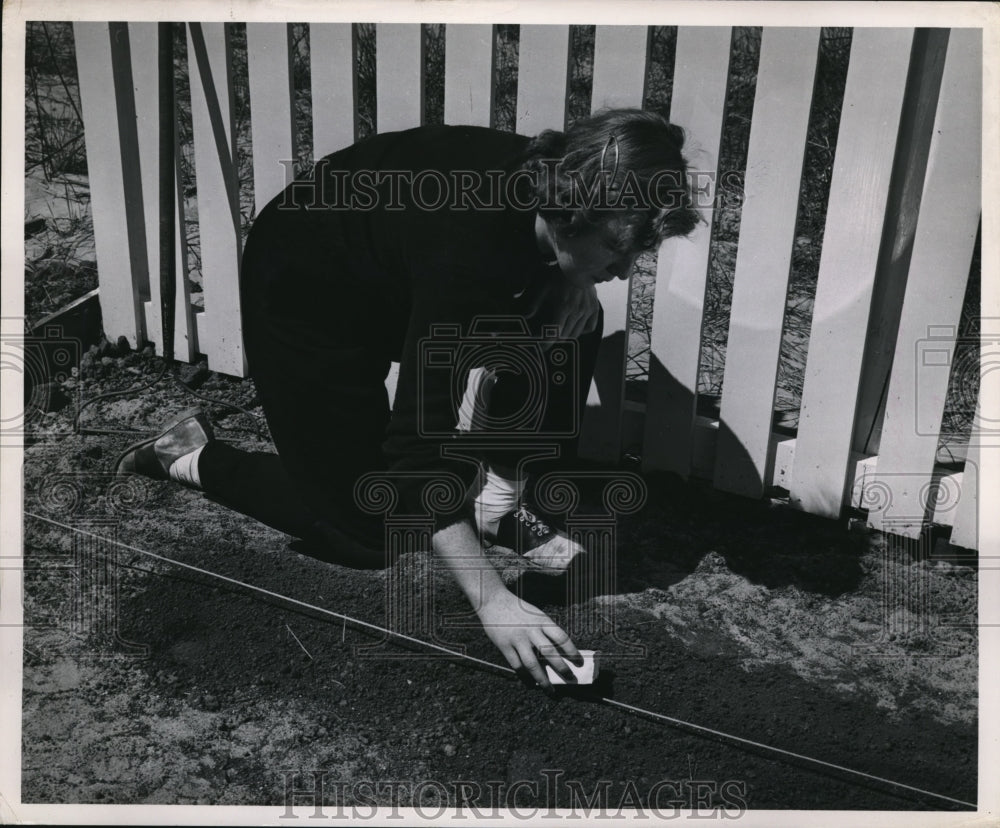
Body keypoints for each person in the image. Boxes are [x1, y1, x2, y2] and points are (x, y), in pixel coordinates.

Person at [115, 108, 698, 689]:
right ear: (571, 214)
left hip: (394, 270)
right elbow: (417, 448)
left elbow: (513, 265)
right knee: (369, 529)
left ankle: (495, 500)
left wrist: (568, 279)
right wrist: (493, 599)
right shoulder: (466, 256)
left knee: (578, 319)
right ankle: (184, 454)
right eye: (617, 252)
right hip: (307, 287)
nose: (624, 272)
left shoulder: (558, 176)